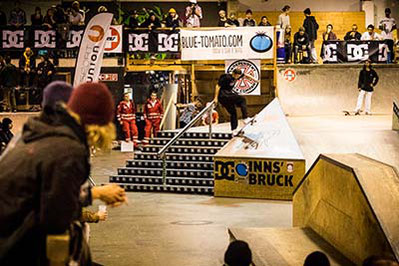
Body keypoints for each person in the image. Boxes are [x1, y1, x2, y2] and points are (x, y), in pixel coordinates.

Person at [0, 82, 127, 265]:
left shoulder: (33, 134)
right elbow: (56, 220)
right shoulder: (69, 149)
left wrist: (95, 193)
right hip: (19, 249)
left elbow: (51, 195)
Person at [213, 68, 258, 133]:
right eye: (236, 76)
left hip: (227, 97)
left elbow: (245, 75)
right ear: (233, 73)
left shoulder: (238, 76)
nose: (237, 78)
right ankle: (245, 118)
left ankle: (233, 130)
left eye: (238, 76)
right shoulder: (226, 77)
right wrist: (215, 98)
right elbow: (217, 86)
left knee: (233, 112)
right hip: (223, 95)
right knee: (242, 99)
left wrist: (255, 80)